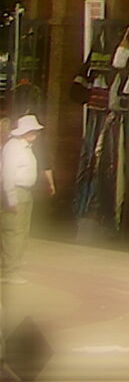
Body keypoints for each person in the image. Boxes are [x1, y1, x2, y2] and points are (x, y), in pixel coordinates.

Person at [0, 114, 52, 306]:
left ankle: (12, 267)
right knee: (12, 232)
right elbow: (8, 175)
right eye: (34, 131)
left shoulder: (25, 147)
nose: (36, 135)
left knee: (21, 232)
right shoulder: (13, 148)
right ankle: (9, 270)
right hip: (17, 193)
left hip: (26, 193)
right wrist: (11, 198)